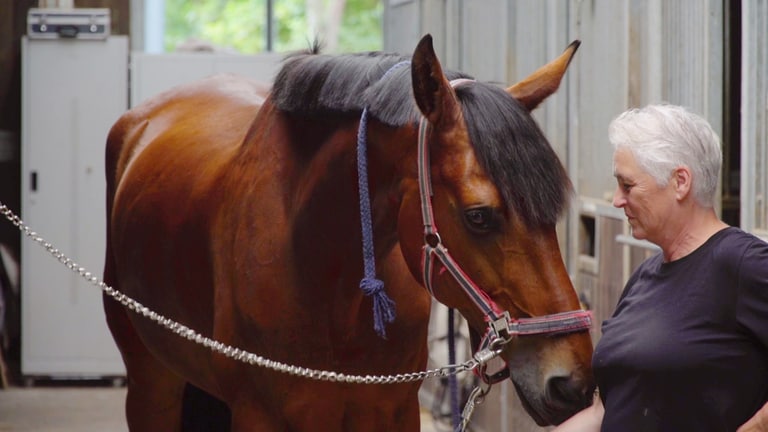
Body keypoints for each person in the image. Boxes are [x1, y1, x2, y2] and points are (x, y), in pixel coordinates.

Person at [554, 104, 768, 431]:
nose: (616, 200)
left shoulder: (742, 264)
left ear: (680, 182)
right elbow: (604, 412)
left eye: (628, 185)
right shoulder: (644, 277)